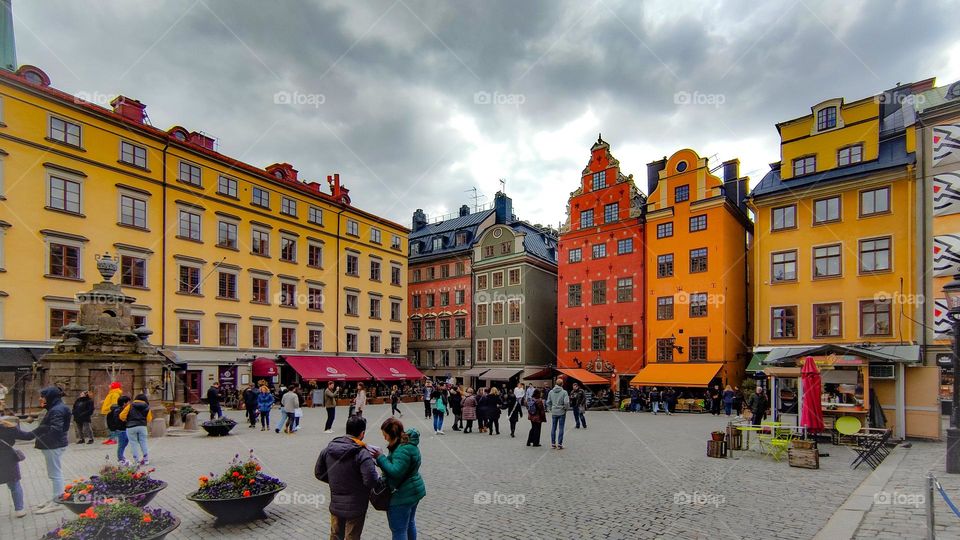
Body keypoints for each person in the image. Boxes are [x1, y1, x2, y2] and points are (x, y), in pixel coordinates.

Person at [315, 415, 379, 540]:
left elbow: (319, 473)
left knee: (335, 535)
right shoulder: (362, 453)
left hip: (336, 504)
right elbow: (371, 480)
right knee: (352, 536)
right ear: (362, 433)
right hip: (356, 506)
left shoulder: (328, 450)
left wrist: (335, 481)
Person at [372, 418, 425, 540]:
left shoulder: (402, 450)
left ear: (391, 434)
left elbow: (396, 472)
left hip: (401, 495)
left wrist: (380, 458)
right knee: (409, 523)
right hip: (413, 491)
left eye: (385, 435)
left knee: (399, 530)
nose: (384, 438)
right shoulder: (408, 445)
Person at [32, 386, 71, 514]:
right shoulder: (55, 408)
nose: (40, 399)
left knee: (55, 474)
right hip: (54, 444)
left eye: (43, 396)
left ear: (50, 397)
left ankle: (57, 501)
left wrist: (41, 438)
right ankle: (56, 497)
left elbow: (56, 430)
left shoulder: (57, 410)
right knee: (54, 473)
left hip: (53, 445)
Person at [0, 415, 34, 518]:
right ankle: (19, 509)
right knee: (14, 484)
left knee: (14, 484)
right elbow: (28, 436)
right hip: (8, 458)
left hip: (6, 458)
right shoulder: (8, 428)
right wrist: (43, 428)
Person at [120, 393, 153, 465]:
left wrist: (126, 420)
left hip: (131, 427)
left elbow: (122, 416)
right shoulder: (147, 407)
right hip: (142, 426)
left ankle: (136, 460)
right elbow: (149, 419)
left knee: (133, 443)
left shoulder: (130, 406)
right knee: (143, 442)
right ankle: (146, 459)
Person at [546, 377, 570, 449]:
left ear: (556, 384)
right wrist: (566, 409)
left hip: (554, 411)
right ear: (562, 384)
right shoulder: (564, 392)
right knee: (561, 428)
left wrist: (550, 409)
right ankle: (559, 444)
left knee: (553, 428)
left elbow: (548, 402)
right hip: (561, 412)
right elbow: (566, 402)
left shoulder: (551, 392)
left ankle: (553, 443)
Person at [106, 396, 130, 463]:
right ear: (124, 403)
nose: (129, 403)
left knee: (125, 443)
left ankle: (121, 456)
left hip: (124, 429)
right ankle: (120, 458)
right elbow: (119, 420)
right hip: (121, 429)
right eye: (128, 402)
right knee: (121, 444)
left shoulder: (122, 409)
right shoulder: (118, 410)